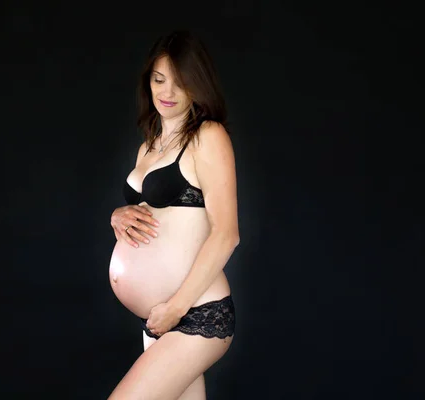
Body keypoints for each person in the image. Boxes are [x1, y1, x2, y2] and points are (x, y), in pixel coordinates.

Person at [107, 30, 239, 400]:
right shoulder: (148, 145)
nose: (167, 92)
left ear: (197, 85)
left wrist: (175, 308)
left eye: (180, 83)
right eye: (158, 80)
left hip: (193, 315)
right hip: (159, 318)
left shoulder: (207, 136)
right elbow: (152, 211)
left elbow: (227, 233)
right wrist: (118, 215)